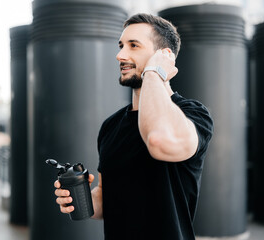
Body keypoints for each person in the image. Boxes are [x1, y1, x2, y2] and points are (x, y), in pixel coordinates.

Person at [54, 13, 213, 240]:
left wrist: (152, 73)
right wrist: (80, 199)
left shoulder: (194, 113)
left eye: (133, 46)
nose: (120, 55)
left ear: (164, 55)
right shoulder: (111, 125)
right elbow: (104, 197)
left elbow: (159, 141)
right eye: (121, 46)